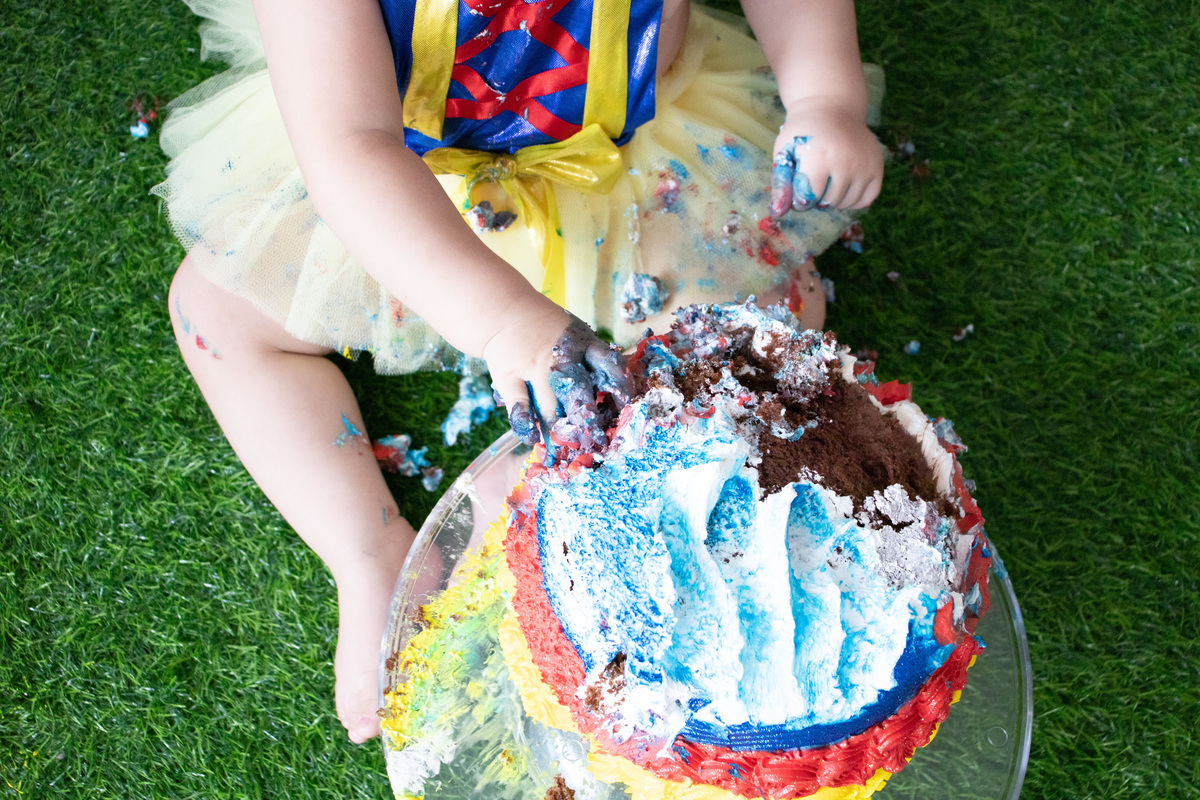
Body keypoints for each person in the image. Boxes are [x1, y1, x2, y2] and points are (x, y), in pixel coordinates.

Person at [154, 0, 884, 743]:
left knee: (772, 314)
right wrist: (502, 321)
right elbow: (349, 147)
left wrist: (824, 95)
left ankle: (533, 489)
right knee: (216, 314)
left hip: (632, 163)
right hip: (404, 191)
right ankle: (367, 553)